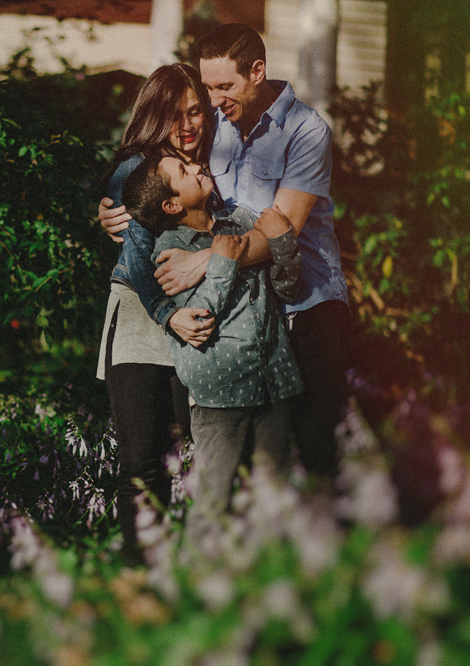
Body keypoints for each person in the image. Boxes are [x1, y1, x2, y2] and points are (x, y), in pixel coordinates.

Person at [99, 24, 349, 484]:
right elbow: (158, 202)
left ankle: (325, 547)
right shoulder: (216, 131)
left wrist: (208, 260)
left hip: (306, 301)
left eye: (221, 88)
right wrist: (118, 208)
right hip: (242, 310)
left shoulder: (306, 131)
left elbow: (283, 228)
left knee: (313, 452)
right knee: (240, 456)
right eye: (207, 88)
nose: (211, 104)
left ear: (257, 72)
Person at [122, 152, 303, 544]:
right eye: (184, 172)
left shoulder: (239, 223)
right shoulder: (167, 252)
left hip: (274, 382)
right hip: (221, 397)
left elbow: (287, 290)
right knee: (213, 503)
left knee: (276, 499)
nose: (198, 167)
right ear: (171, 204)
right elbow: (196, 322)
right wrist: (220, 264)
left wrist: (281, 242)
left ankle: (271, 588)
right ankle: (198, 586)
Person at [95, 64, 215, 565]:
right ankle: (138, 579)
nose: (187, 125)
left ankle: (180, 574)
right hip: (144, 326)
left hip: (195, 324)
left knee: (188, 457)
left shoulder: (205, 166)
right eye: (174, 115)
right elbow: (136, 256)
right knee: (143, 462)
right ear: (153, 116)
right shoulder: (139, 168)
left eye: (195, 112)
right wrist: (169, 316)